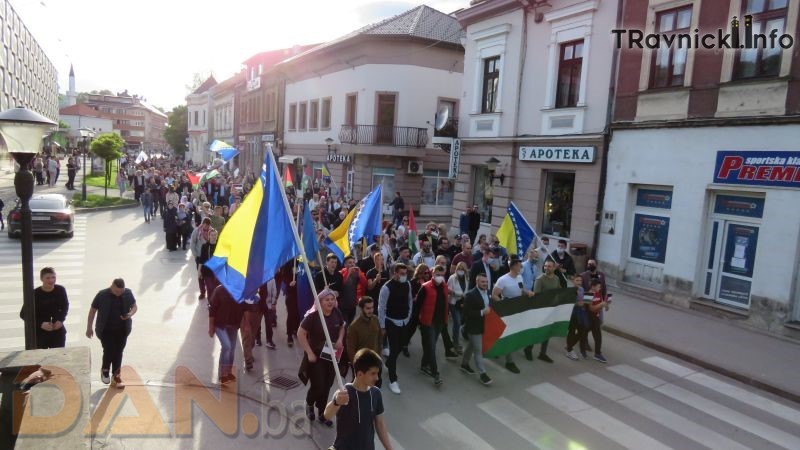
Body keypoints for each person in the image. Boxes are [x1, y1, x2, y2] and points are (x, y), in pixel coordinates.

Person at [325, 349, 393, 450]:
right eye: (373, 373)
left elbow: (380, 424)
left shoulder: (376, 393)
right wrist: (336, 402)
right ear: (360, 374)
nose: (377, 378)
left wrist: (389, 448)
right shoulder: (343, 392)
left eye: (377, 373)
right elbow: (327, 415)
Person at [298, 288, 345, 427]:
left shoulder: (337, 312)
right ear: (320, 302)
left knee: (327, 387)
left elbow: (342, 326)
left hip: (332, 357)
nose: (331, 302)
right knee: (318, 385)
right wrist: (309, 353)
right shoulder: (313, 316)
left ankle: (322, 414)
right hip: (316, 357)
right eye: (327, 299)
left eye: (332, 299)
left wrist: (340, 339)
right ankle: (310, 403)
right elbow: (301, 333)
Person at [86, 278, 138, 387]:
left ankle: (116, 376)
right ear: (112, 286)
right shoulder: (101, 295)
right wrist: (89, 327)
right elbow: (92, 311)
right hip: (105, 329)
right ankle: (105, 370)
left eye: (121, 291)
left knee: (119, 351)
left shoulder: (127, 293)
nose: (119, 294)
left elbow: (134, 306)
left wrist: (129, 314)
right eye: (116, 291)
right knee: (109, 349)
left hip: (122, 329)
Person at [492, 256, 534, 374]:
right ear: (514, 266)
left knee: (509, 332)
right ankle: (509, 361)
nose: (521, 267)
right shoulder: (503, 280)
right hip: (507, 310)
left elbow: (521, 289)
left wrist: (527, 292)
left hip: (517, 308)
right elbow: (494, 295)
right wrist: (503, 303)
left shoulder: (519, 277)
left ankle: (496, 348)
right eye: (519, 265)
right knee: (509, 334)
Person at [377, 263, 413, 395]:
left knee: (399, 347)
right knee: (394, 347)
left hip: (404, 321)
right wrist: (382, 325)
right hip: (391, 322)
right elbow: (381, 307)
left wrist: (408, 316)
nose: (404, 276)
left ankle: (389, 363)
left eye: (405, 274)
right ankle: (393, 379)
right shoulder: (386, 288)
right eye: (402, 274)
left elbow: (409, 301)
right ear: (395, 273)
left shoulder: (407, 285)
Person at [20, 267, 69, 349]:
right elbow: (23, 314)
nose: (51, 280)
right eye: (48, 278)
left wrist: (61, 320)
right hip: (40, 334)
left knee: (58, 358)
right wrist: (41, 324)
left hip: (57, 332)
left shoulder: (61, 290)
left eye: (53, 277)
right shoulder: (34, 293)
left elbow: (65, 306)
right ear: (41, 279)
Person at [416, 265, 449, 386]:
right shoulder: (425, 288)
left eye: (441, 275)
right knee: (432, 348)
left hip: (439, 322)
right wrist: (418, 322)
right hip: (428, 322)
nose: (439, 277)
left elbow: (445, 303)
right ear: (432, 274)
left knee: (431, 346)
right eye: (437, 274)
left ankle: (424, 365)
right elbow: (417, 306)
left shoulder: (445, 287)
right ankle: (436, 374)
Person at [460, 272, 493, 385]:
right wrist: (481, 312)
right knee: (478, 350)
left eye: (486, 281)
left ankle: (464, 364)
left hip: (484, 325)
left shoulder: (488, 292)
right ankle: (483, 374)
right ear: (477, 282)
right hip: (473, 327)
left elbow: (489, 305)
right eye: (483, 282)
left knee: (472, 346)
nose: (485, 284)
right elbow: (466, 312)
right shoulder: (470, 294)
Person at [208, 284, 244, 384]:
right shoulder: (219, 290)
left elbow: (245, 307)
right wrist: (211, 326)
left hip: (233, 325)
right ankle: (222, 375)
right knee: (227, 346)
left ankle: (228, 373)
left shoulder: (240, 290)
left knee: (231, 349)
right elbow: (212, 308)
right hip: (220, 325)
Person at [528, 260, 561, 363]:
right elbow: (536, 297)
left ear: (554, 268)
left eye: (549, 266)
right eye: (545, 266)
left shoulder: (556, 278)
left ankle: (543, 353)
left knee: (547, 332)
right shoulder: (540, 279)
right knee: (536, 331)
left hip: (551, 310)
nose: (547, 268)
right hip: (540, 310)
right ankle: (528, 349)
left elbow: (559, 291)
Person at [346, 296, 383, 386]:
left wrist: (379, 357)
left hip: (375, 361)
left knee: (376, 385)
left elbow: (379, 339)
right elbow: (351, 349)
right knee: (359, 387)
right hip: (363, 365)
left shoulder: (375, 319)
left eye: (372, 307)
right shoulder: (354, 326)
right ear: (362, 308)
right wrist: (357, 367)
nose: (371, 310)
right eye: (368, 308)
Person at [565, 274, 591, 360]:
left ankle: (569, 345)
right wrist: (577, 304)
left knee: (582, 331)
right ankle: (569, 351)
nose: (579, 282)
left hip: (580, 313)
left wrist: (586, 302)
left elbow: (582, 300)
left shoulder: (582, 289)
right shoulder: (570, 290)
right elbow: (568, 303)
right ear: (573, 281)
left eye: (580, 281)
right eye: (577, 280)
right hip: (572, 314)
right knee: (571, 331)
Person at [447, 262, 469, 353]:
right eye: (459, 269)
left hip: (462, 304)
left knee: (460, 322)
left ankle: (456, 338)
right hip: (453, 303)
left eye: (462, 269)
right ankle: (455, 342)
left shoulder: (467, 278)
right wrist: (458, 294)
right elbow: (448, 290)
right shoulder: (452, 278)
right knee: (457, 322)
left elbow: (467, 290)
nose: (461, 271)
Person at [339, 256, 367, 324]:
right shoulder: (340, 273)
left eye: (353, 262)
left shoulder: (357, 273)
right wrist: (348, 272)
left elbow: (365, 284)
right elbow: (341, 283)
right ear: (345, 264)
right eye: (350, 262)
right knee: (345, 325)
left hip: (353, 305)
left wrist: (359, 273)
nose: (352, 264)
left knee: (351, 324)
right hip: (342, 306)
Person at [587, 278, 610, 363]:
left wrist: (606, 305)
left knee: (584, 333)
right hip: (590, 317)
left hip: (596, 318)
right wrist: (601, 304)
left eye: (600, 287)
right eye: (598, 287)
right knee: (597, 335)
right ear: (593, 286)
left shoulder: (598, 294)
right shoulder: (589, 295)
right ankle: (597, 354)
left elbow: (601, 306)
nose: (600, 289)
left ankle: (569, 345)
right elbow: (591, 308)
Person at [240, 292, 262, 371]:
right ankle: (248, 360)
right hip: (245, 312)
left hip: (258, 311)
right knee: (246, 335)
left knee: (252, 335)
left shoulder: (262, 282)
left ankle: (249, 352)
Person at [256, 278, 278, 349]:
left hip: (268, 304)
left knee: (268, 322)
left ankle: (269, 340)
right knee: (258, 322)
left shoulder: (271, 279)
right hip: (258, 304)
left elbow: (274, 291)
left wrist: (273, 303)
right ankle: (257, 338)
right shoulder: (257, 277)